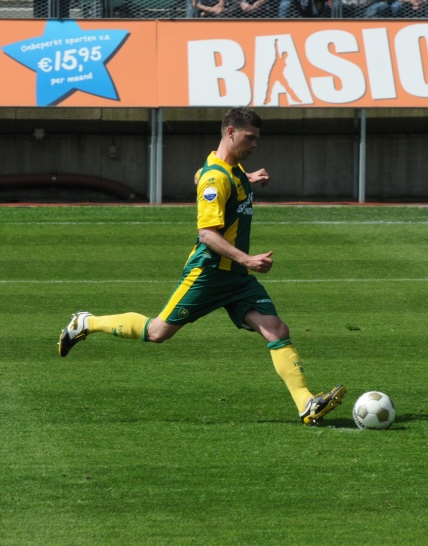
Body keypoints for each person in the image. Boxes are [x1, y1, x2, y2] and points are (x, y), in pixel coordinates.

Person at [58, 107, 346, 426]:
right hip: (208, 273)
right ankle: (86, 322)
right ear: (230, 132)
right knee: (157, 332)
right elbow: (207, 234)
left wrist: (248, 180)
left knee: (276, 330)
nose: (255, 144)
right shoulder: (216, 177)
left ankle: (306, 404)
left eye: (257, 139)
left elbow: (201, 177)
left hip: (236, 278)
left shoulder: (230, 171)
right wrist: (248, 259)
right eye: (250, 138)